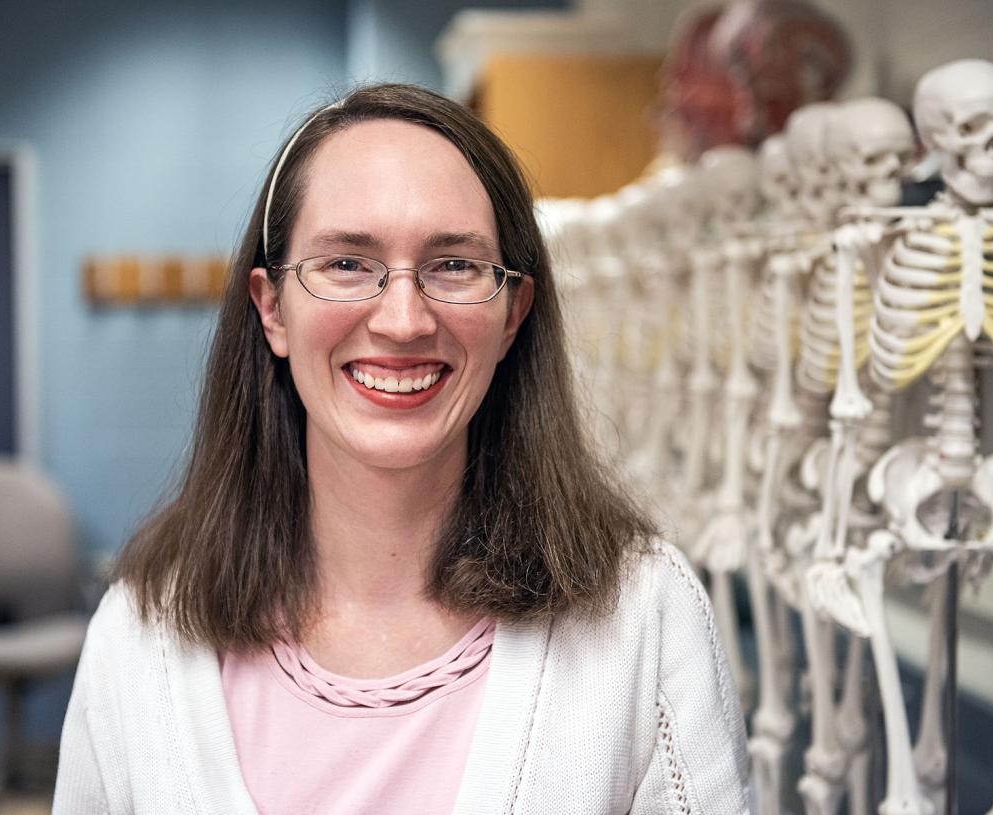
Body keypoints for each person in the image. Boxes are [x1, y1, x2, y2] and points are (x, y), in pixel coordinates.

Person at [53, 83, 749, 814]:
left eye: (453, 265)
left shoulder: (641, 614)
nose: (404, 319)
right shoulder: (142, 633)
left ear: (513, 313)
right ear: (270, 308)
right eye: (348, 263)